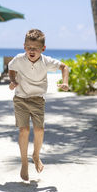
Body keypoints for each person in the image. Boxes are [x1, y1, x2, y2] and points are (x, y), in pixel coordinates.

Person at [8, 29, 69, 181]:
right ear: (24, 46)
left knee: (39, 130)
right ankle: (24, 163)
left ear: (43, 49)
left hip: (38, 100)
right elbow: (11, 68)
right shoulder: (19, 59)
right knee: (24, 130)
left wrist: (65, 82)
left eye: (35, 48)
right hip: (20, 99)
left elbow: (64, 67)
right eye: (29, 47)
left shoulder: (46, 61)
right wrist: (13, 80)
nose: (31, 50)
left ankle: (36, 155)